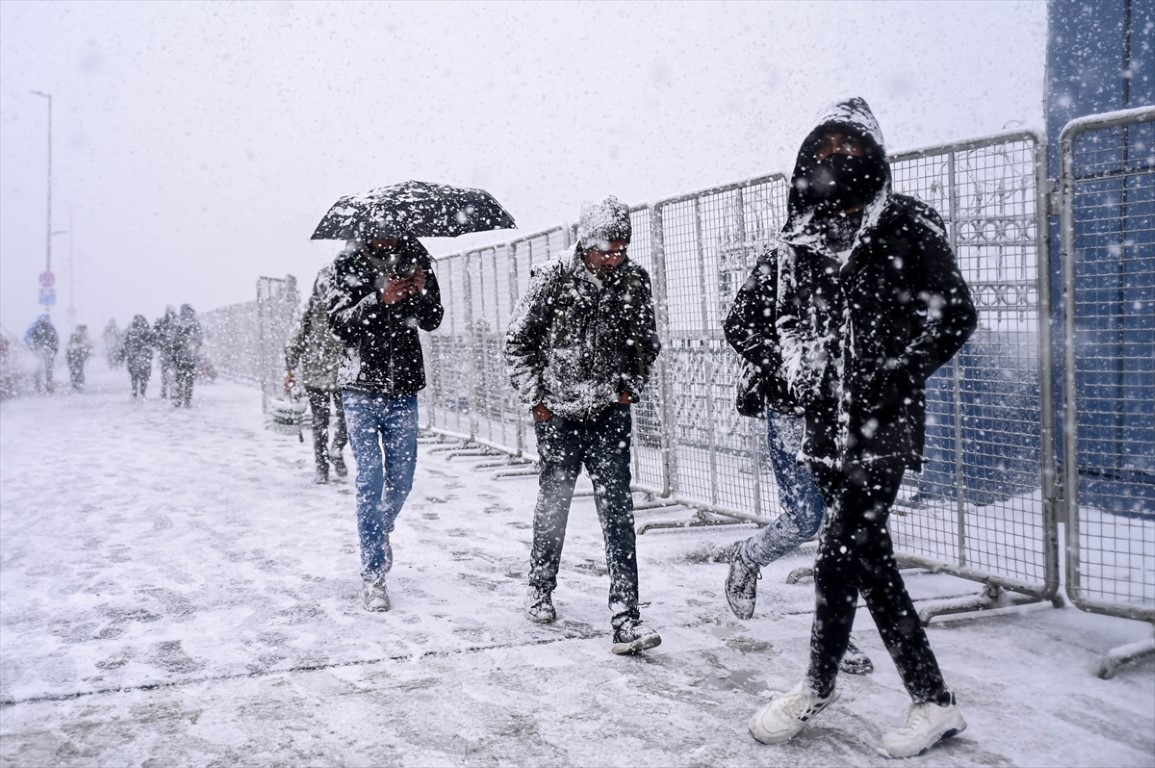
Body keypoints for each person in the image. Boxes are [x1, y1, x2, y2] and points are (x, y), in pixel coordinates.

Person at [745, 98, 977, 758]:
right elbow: (755, 318)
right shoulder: (800, 237)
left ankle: (816, 687)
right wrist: (790, 364)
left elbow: (956, 314)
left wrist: (899, 371)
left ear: (874, 158)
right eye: (824, 152)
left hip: (884, 424)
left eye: (850, 151)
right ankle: (932, 700)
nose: (836, 163)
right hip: (823, 426)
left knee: (839, 552)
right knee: (871, 563)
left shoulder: (906, 223)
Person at [504, 196, 663, 656]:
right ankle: (540, 586)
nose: (615, 259)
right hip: (559, 414)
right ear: (586, 243)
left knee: (618, 511)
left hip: (610, 412)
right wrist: (537, 400)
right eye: (606, 251)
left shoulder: (634, 280)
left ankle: (626, 616)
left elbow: (647, 342)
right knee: (554, 503)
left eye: (622, 249)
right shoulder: (552, 277)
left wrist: (630, 385)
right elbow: (517, 341)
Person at [722, 251, 873, 676]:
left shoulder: (863, 257)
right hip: (791, 409)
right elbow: (738, 325)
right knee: (805, 518)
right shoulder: (780, 261)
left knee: (842, 524)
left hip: (846, 411)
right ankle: (748, 557)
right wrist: (792, 365)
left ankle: (835, 632)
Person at [328, 236, 443, 612]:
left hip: (403, 386)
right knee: (370, 479)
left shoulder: (417, 258)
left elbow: (433, 319)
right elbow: (337, 325)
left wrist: (421, 292)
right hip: (359, 386)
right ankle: (373, 575)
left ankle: (379, 529)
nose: (387, 233)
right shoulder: (344, 265)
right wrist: (380, 299)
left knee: (403, 478)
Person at [286, 263, 349, 484]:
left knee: (321, 423)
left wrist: (291, 367)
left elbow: (295, 341)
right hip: (339, 372)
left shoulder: (310, 308)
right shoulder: (344, 305)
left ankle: (323, 465)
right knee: (346, 418)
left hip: (320, 371)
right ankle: (334, 452)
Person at [170, 304, 203, 408]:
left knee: (184, 379)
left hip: (187, 355)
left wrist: (186, 342)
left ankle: (184, 399)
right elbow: (174, 340)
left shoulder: (192, 324)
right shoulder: (181, 324)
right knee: (184, 379)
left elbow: (199, 340)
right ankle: (183, 399)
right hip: (184, 355)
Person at [121, 314, 155, 398]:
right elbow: (152, 342)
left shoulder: (132, 331)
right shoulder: (145, 331)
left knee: (137, 376)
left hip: (137, 356)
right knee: (140, 376)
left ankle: (137, 391)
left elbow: (125, 344)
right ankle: (139, 392)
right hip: (140, 356)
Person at [24, 314, 58, 394]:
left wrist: (33, 347)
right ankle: (47, 384)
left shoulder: (36, 326)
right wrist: (54, 349)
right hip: (44, 351)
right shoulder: (49, 327)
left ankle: (40, 384)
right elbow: (56, 339)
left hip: (40, 351)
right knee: (47, 368)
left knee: (42, 368)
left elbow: (27, 337)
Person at [153, 306, 178, 399]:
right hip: (169, 351)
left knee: (168, 372)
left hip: (170, 350)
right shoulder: (165, 322)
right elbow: (155, 335)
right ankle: (169, 391)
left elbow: (155, 335)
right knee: (169, 372)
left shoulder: (164, 322)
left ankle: (167, 391)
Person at [65, 324, 94, 391]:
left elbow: (69, 348)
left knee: (75, 370)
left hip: (75, 357)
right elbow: (86, 346)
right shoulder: (81, 336)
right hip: (77, 356)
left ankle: (76, 383)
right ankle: (78, 383)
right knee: (78, 370)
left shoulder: (76, 336)